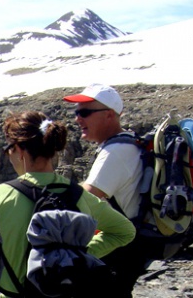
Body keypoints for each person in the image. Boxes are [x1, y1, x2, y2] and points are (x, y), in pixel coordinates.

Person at [0, 111, 135, 297]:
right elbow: (125, 231)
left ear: (20, 150)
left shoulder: (3, 196)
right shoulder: (80, 195)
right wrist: (78, 255)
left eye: (8, 149)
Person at [63, 83, 146, 298]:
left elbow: (87, 198)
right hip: (128, 246)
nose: (78, 119)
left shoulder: (116, 152)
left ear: (109, 115)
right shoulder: (126, 144)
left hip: (118, 249)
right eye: (77, 112)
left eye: (85, 112)